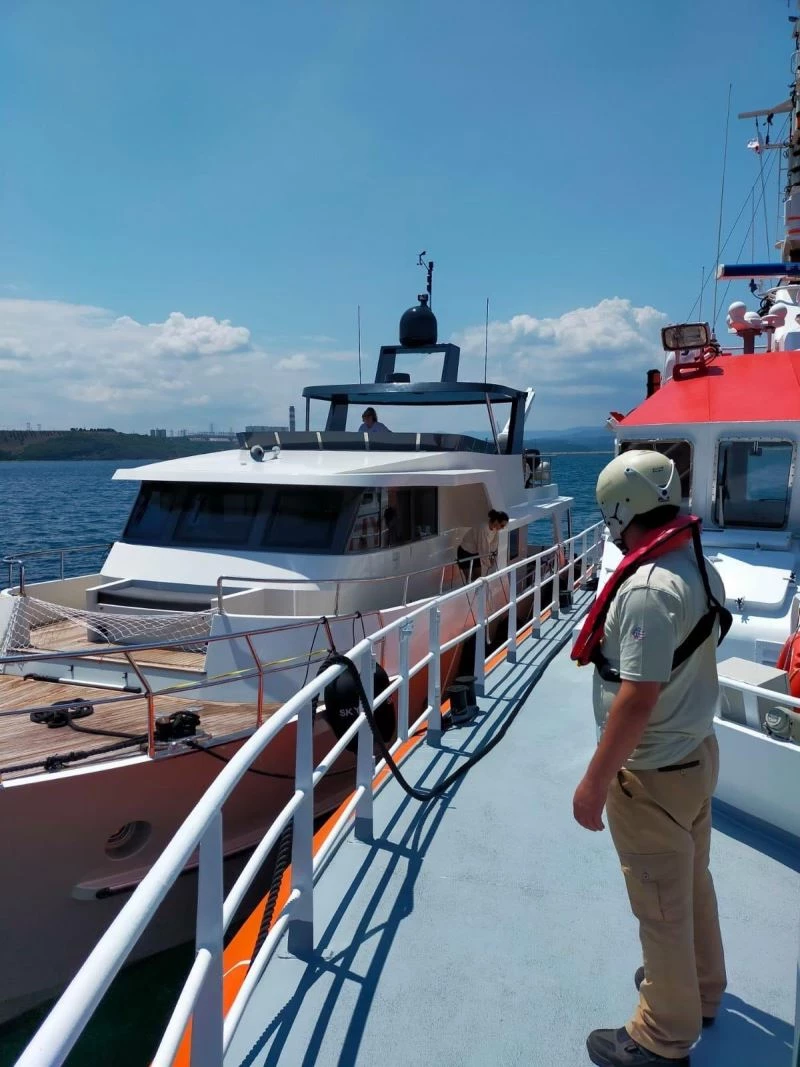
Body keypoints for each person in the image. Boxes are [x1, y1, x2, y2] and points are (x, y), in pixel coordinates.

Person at [571, 449, 730, 1067]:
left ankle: (664, 1035)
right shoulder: (697, 566)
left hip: (653, 775)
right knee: (691, 884)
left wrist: (593, 783)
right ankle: (701, 989)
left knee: (659, 906)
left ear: (619, 511)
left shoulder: (645, 590)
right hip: (695, 756)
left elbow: (637, 699)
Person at [456, 509, 508, 580]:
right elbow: (483, 548)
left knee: (478, 577)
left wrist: (492, 557)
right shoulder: (483, 528)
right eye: (502, 525)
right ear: (496, 521)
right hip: (464, 552)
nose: (503, 528)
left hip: (475, 552)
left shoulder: (495, 529)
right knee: (469, 578)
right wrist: (489, 563)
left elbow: (493, 544)